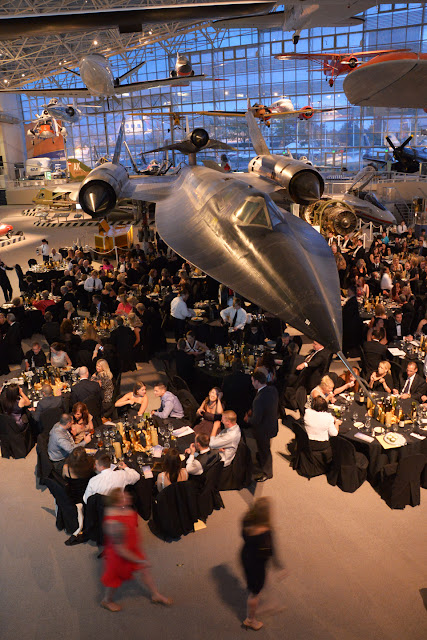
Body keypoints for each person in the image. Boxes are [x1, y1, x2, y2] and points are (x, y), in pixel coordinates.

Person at [100, 487, 172, 611]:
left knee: (145, 570)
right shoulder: (114, 524)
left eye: (126, 494)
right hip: (119, 556)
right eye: (123, 497)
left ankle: (155, 594)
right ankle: (106, 601)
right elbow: (121, 550)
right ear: (116, 503)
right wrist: (140, 560)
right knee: (114, 580)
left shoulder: (126, 509)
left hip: (132, 548)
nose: (128, 497)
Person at [240, 498, 286, 631]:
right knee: (255, 593)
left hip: (246, 556)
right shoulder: (266, 532)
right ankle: (250, 620)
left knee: (255, 584)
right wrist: (279, 567)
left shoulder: (246, 520)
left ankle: (258, 599)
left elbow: (243, 535)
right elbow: (271, 551)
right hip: (257, 564)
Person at [245, 369, 279, 482]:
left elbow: (255, 420)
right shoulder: (273, 389)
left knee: (265, 451)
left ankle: (267, 472)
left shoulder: (258, 399)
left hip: (262, 430)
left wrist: (248, 419)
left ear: (257, 381)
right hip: (272, 425)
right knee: (264, 448)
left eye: (252, 381)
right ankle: (260, 459)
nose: (252, 383)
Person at [62, 447, 94, 544]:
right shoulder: (90, 465)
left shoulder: (66, 468)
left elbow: (64, 479)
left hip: (73, 496)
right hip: (86, 495)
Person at [222, 358, 255, 426]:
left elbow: (224, 394)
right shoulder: (248, 378)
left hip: (231, 406)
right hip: (244, 406)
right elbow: (252, 394)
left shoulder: (227, 379)